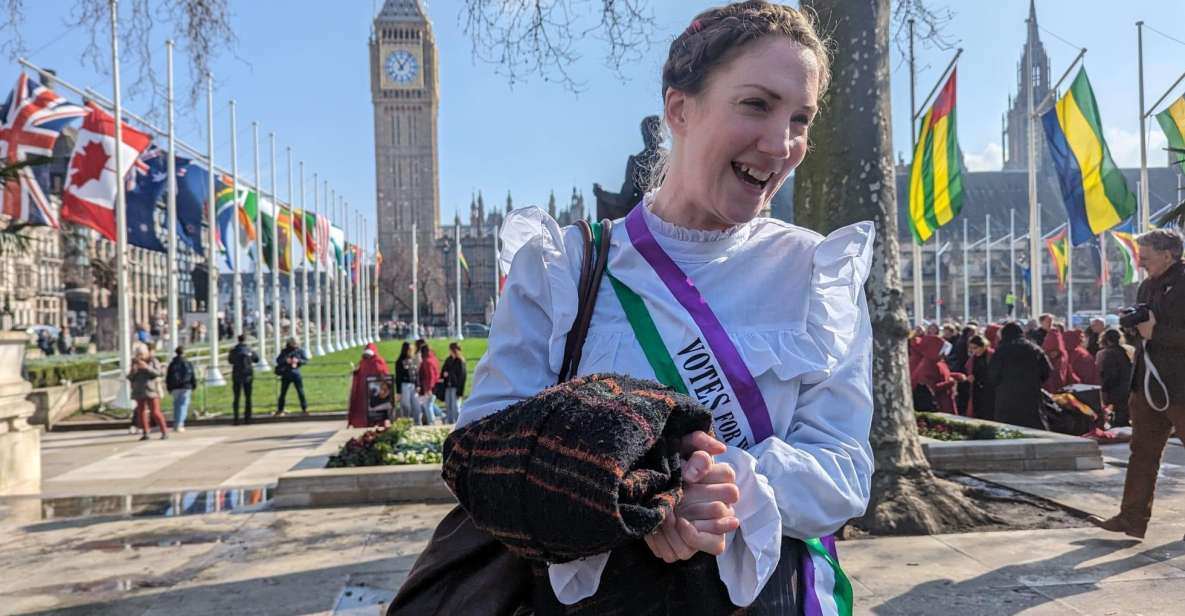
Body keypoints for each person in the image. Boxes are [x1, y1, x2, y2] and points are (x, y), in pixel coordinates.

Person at [429, 3, 873, 610]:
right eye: (756, 105)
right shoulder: (565, 269)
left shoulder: (819, 276)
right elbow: (482, 453)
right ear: (679, 109)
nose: (782, 143)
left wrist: (724, 486)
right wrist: (649, 490)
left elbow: (845, 470)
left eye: (801, 118)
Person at [1089, 229, 1185, 539]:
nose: (1139, 262)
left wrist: (1155, 332)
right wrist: (1132, 326)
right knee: (1141, 453)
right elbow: (1143, 332)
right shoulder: (1146, 286)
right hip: (1147, 384)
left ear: (1167, 255)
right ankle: (1132, 518)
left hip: (1180, 385)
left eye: (1144, 257)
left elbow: (1162, 332)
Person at [990, 322, 1053, 429]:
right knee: (1033, 426)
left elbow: (993, 374)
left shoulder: (1001, 350)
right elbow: (1047, 370)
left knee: (1007, 428)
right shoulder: (1034, 349)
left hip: (1006, 396)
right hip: (1030, 394)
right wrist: (1035, 382)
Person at [128, 344, 168, 440]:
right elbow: (130, 377)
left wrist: (147, 367)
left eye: (141, 353)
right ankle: (145, 432)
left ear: (146, 353)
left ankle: (164, 431)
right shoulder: (135, 362)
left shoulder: (153, 361)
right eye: (138, 354)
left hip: (151, 390)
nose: (140, 356)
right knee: (141, 412)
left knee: (155, 412)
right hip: (139, 390)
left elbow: (159, 373)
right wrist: (134, 371)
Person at [1096, 328, 1133, 428]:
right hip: (1126, 387)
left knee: (1119, 418)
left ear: (1106, 340)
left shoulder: (1108, 353)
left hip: (1116, 388)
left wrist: (1105, 388)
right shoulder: (1124, 352)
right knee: (1123, 414)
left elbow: (1110, 374)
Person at [348, 343, 390, 428]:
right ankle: (366, 422)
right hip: (364, 389)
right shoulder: (363, 361)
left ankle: (378, 421)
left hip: (375, 389)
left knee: (377, 407)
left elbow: (384, 372)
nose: (367, 356)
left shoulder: (378, 361)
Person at [228, 335, 260, 425]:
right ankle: (248, 418)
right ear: (246, 340)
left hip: (237, 375)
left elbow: (230, 360)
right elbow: (257, 359)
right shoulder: (249, 349)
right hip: (248, 375)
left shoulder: (234, 350)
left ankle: (236, 418)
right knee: (248, 397)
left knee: (236, 397)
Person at [165, 346, 197, 432]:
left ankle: (176, 423)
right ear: (184, 352)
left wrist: (168, 387)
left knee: (176, 406)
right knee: (183, 405)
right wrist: (194, 385)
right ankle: (180, 424)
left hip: (174, 387)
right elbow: (192, 375)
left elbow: (168, 376)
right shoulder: (187, 363)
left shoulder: (172, 364)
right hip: (185, 386)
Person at [274, 337, 309, 416]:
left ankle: (304, 408)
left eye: (296, 343)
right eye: (294, 343)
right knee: (283, 393)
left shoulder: (300, 351)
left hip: (296, 373)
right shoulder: (284, 351)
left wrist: (298, 361)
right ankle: (280, 409)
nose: (296, 345)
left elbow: (305, 360)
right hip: (286, 374)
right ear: (289, 343)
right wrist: (286, 360)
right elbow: (278, 360)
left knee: (300, 391)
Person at [965, 335, 994, 421]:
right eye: (971, 348)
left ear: (983, 346)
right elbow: (968, 368)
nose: (973, 350)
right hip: (977, 389)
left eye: (975, 348)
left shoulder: (991, 355)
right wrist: (969, 376)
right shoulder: (973, 358)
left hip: (989, 390)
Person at [1041, 328, 1076, 392]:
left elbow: (1068, 371)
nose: (1053, 353)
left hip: (1060, 391)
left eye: (1055, 350)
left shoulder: (1063, 356)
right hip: (1046, 392)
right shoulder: (1041, 357)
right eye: (1050, 351)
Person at [440, 342, 467, 423]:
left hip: (456, 387)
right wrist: (444, 374)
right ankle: (450, 422)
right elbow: (443, 371)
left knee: (455, 406)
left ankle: (459, 423)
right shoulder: (448, 360)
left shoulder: (460, 361)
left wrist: (460, 392)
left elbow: (462, 377)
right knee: (448, 405)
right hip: (448, 386)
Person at [415, 344, 440, 425]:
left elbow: (430, 376)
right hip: (435, 385)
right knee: (429, 405)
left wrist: (428, 389)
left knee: (428, 406)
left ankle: (432, 423)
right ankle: (434, 420)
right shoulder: (433, 359)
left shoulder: (426, 361)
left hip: (429, 387)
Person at [394, 341, 418, 420]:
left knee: (415, 404)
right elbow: (398, 377)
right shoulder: (400, 361)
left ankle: (416, 421)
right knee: (406, 404)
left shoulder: (413, 360)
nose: (411, 351)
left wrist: (417, 384)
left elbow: (416, 373)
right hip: (405, 384)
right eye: (410, 350)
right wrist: (398, 392)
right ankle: (406, 420)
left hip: (413, 384)